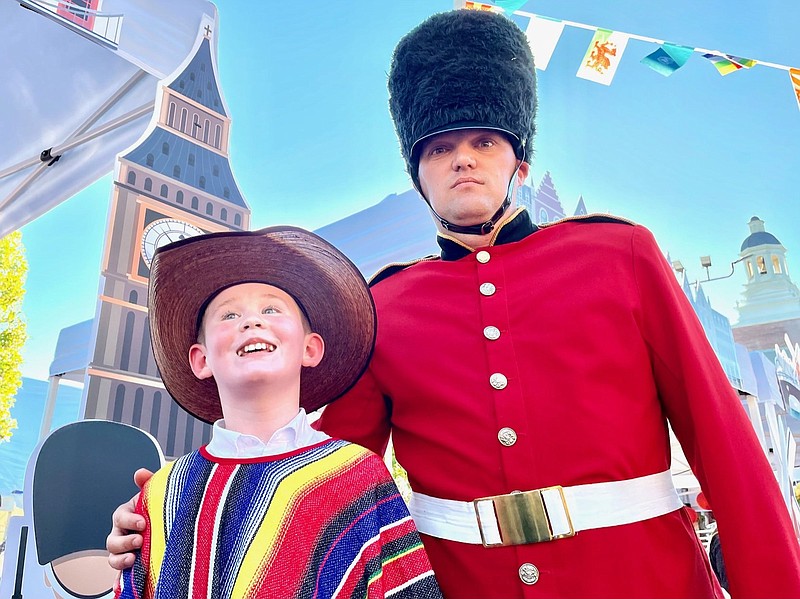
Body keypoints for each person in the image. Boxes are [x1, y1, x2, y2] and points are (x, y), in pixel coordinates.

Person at [109, 9, 800, 598]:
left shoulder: (621, 255)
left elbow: (721, 438)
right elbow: (325, 468)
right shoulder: (387, 304)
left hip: (642, 575)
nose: (463, 160)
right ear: (418, 174)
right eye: (440, 148)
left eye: (483, 141)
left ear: (518, 163)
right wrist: (186, 508)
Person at [113, 226, 442, 598]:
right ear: (201, 360)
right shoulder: (160, 494)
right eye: (228, 315)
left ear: (310, 349)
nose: (251, 321)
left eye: (272, 309)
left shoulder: (358, 475)